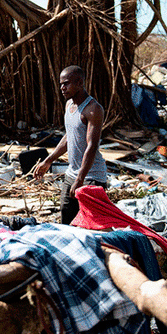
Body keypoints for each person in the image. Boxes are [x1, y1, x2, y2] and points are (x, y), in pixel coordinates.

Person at [34, 65, 107, 224]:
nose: (62, 88)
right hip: (72, 174)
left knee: (92, 224)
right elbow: (69, 137)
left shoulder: (93, 109)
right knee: (66, 218)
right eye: (61, 84)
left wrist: (80, 179)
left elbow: (92, 146)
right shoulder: (69, 105)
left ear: (80, 83)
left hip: (92, 176)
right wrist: (48, 160)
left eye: (66, 83)